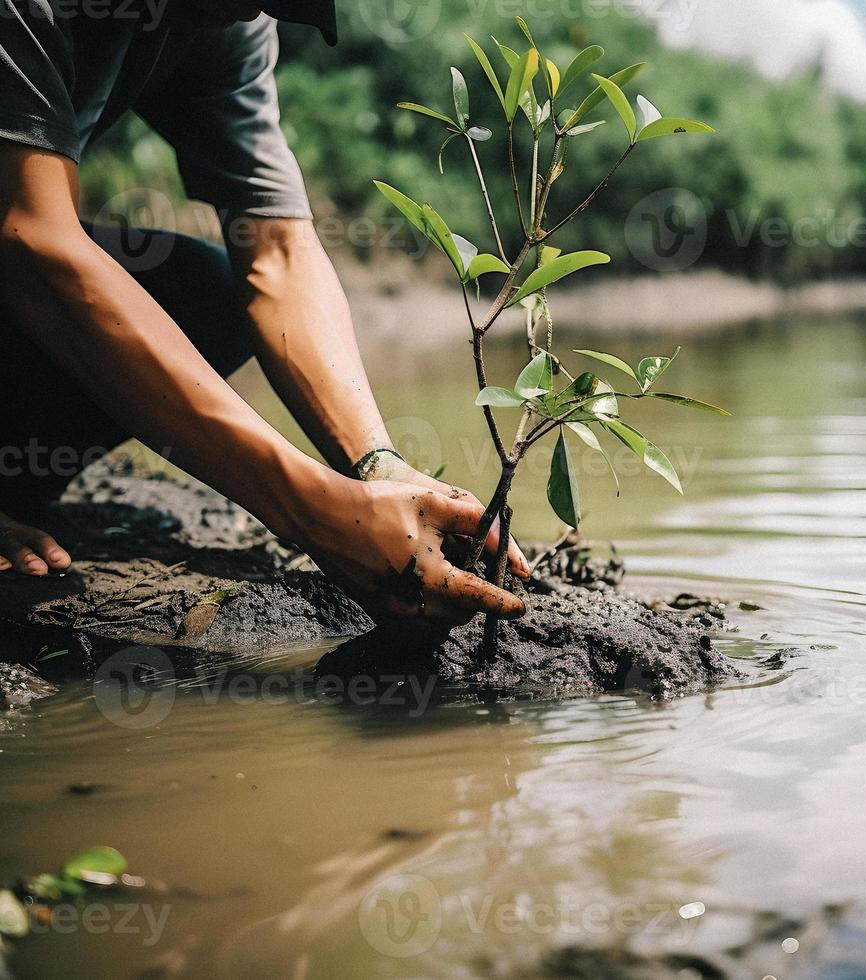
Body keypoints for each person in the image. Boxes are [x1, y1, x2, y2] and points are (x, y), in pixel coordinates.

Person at [0, 0, 529, 624]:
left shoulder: (231, 19)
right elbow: (33, 241)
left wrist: (375, 470)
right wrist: (315, 511)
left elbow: (277, 252)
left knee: (209, 292)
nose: (247, 13)